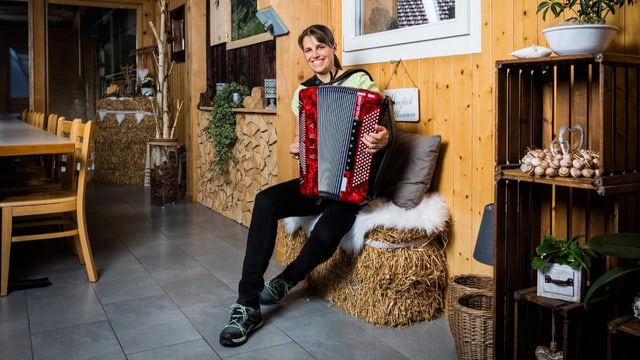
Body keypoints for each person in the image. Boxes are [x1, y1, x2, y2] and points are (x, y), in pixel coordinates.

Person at [219, 24, 390, 347]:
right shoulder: (304, 93)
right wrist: (296, 146)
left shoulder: (361, 83)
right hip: (314, 181)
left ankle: (289, 278)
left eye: (320, 47)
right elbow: (301, 138)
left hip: (350, 187)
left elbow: (382, 132)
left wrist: (381, 139)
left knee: (326, 233)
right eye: (308, 50)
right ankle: (247, 302)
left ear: (333, 46)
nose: (314, 55)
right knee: (266, 200)